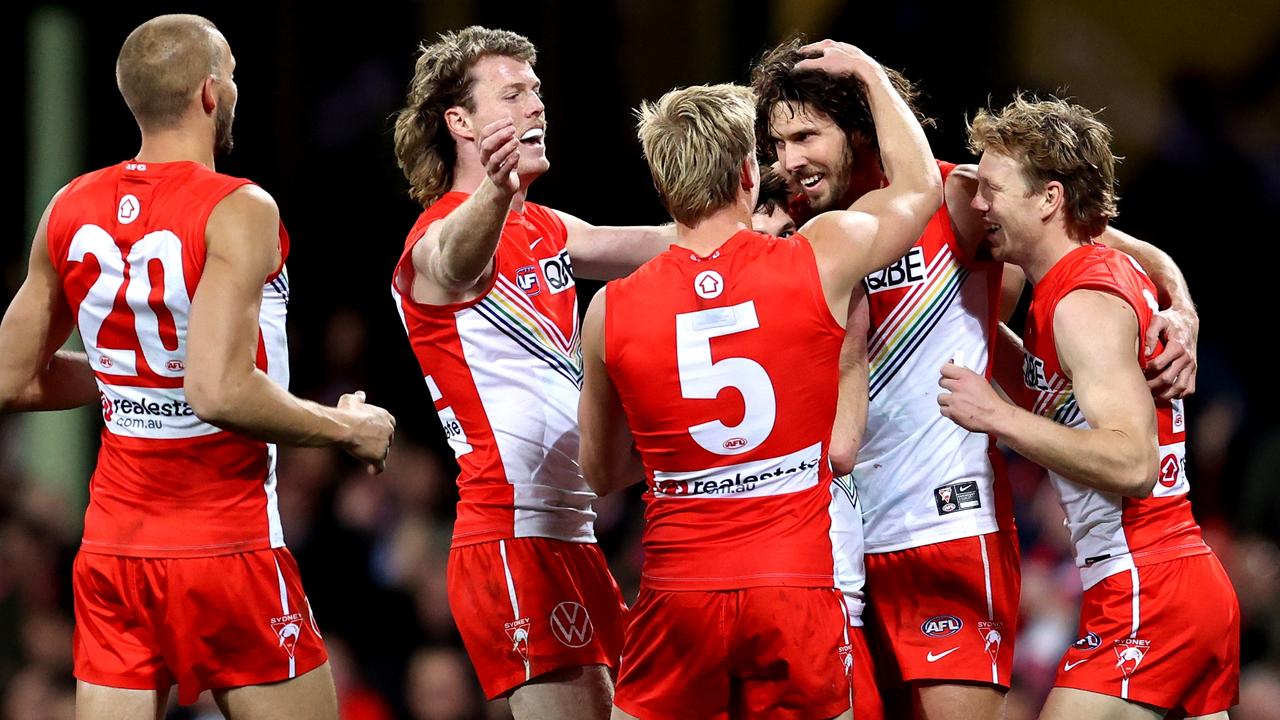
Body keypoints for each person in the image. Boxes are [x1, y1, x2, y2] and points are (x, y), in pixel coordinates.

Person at [750, 37, 1200, 720]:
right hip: (833, 540)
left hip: (947, 529)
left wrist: (1182, 308)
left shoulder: (960, 199)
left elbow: (1103, 238)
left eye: (806, 136)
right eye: (778, 144)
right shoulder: (796, 229)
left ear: (859, 124)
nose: (790, 162)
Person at [0, 14, 395, 719]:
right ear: (210, 93)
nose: (237, 87)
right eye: (235, 74)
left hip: (115, 553)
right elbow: (218, 391)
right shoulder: (239, 208)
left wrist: (129, 379)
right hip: (227, 546)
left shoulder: (69, 205)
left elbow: (10, 377)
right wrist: (344, 428)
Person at [579, 40, 941, 720]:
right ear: (750, 171)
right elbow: (921, 186)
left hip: (677, 591)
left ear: (663, 186)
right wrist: (864, 71)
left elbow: (599, 471)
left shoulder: (611, 310)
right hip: (794, 586)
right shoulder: (818, 259)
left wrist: (689, 463)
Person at [390, 26, 670, 719]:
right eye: (511, 95)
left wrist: (771, 217)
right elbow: (455, 265)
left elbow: (666, 246)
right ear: (460, 121)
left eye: (537, 93)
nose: (535, 107)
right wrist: (497, 184)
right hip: (510, 537)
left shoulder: (547, 228)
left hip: (573, 536)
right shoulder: (435, 235)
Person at [941, 94, 1238, 720]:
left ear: (1049, 199)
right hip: (1170, 581)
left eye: (995, 189)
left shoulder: (1082, 302)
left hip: (1147, 585)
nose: (980, 204)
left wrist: (997, 418)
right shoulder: (1080, 281)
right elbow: (1061, 403)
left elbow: (1132, 462)